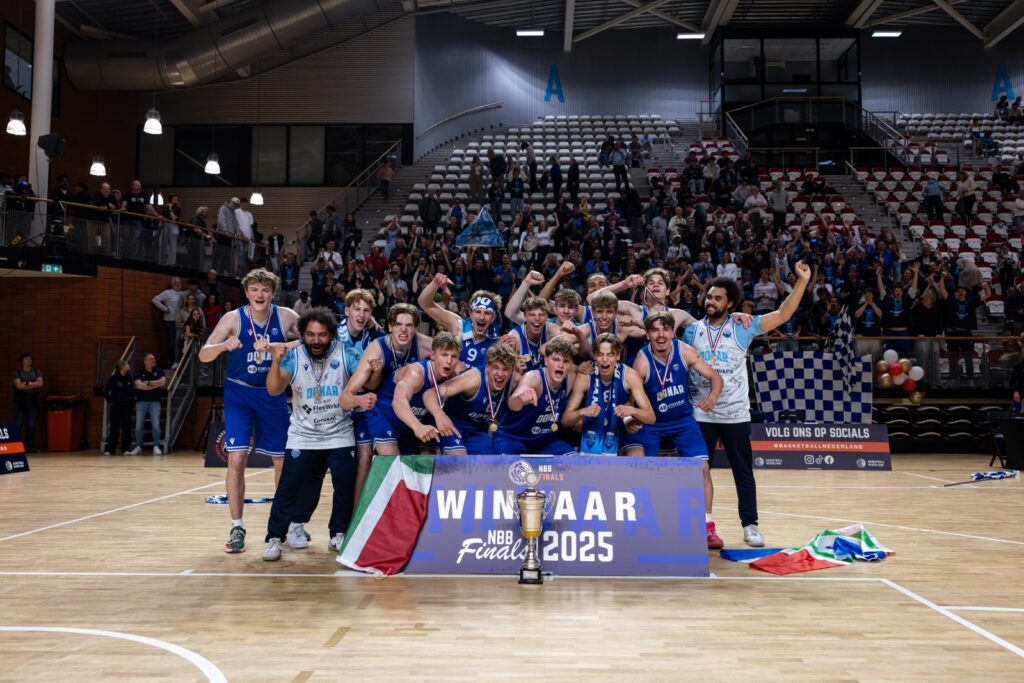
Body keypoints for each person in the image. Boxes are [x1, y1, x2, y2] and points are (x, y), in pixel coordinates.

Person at [682, 262, 812, 549]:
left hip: (734, 414)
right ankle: (700, 524)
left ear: (730, 303)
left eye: (717, 298)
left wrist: (802, 281)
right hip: (699, 413)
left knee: (743, 473)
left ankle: (750, 526)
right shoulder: (691, 331)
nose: (710, 301)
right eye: (708, 297)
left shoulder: (743, 325)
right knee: (697, 474)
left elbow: (783, 314)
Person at [199, 269, 299, 554]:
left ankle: (281, 525)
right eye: (255, 289)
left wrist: (279, 347)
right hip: (239, 392)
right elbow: (203, 353)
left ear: (273, 293)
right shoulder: (233, 319)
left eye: (265, 289)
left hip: (272, 393)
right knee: (237, 457)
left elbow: (315, 339)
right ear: (247, 292)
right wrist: (222, 345)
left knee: (281, 461)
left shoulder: (285, 316)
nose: (259, 294)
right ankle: (237, 525)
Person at [263, 307, 360, 560]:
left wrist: (372, 367)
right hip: (303, 434)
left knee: (344, 481)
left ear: (331, 335)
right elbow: (274, 389)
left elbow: (367, 381)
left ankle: (338, 533)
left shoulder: (344, 352)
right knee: (290, 485)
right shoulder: (292, 356)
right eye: (310, 335)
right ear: (303, 335)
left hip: (339, 432)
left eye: (322, 335)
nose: (316, 340)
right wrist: (275, 360)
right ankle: (276, 537)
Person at [368, 333, 463, 454]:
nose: (449, 361)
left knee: (416, 467)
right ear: (433, 355)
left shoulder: (452, 377)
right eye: (444, 355)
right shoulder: (416, 373)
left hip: (408, 424)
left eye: (454, 356)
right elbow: (398, 402)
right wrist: (417, 426)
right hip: (384, 416)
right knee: (392, 461)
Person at [564, 334, 656, 456]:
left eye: (610, 354)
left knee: (637, 458)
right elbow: (565, 420)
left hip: (620, 428)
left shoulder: (630, 376)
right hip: (592, 428)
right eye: (600, 354)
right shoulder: (585, 376)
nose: (605, 360)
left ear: (618, 356)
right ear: (595, 356)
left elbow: (651, 417)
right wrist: (582, 412)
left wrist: (632, 411)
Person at [426, 343, 518, 455]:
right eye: (496, 367)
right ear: (488, 366)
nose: (500, 374)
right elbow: (429, 394)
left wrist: (527, 390)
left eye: (506, 369)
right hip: (453, 423)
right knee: (460, 460)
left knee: (487, 466)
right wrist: (439, 415)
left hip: (477, 429)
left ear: (512, 370)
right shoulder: (473, 379)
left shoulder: (515, 382)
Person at [493, 338, 578, 455]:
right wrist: (520, 397)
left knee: (576, 463)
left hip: (545, 442)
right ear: (546, 360)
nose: (561, 365)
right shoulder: (534, 378)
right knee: (510, 471)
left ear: (571, 365)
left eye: (566, 361)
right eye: (556, 359)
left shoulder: (571, 376)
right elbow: (513, 403)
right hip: (513, 439)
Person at [419, 273, 499, 368]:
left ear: (493, 317)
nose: (481, 317)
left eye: (487, 313)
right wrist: (435, 283)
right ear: (470, 313)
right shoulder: (458, 325)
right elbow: (424, 303)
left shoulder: (497, 342)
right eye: (477, 311)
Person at [130, 353, 166, 456]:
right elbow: (139, 386)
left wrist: (148, 383)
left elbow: (162, 382)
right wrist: (155, 384)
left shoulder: (159, 371)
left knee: (156, 424)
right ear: (146, 361)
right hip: (141, 402)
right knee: (139, 425)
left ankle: (156, 446)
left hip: (155, 402)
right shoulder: (139, 372)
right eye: (152, 359)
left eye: (154, 359)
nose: (154, 360)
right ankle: (138, 446)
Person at [12, 353, 43, 452]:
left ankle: (30, 447)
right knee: (18, 424)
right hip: (20, 401)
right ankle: (15, 447)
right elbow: (18, 386)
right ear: (22, 362)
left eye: (30, 359)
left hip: (32, 400)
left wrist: (26, 383)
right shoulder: (17, 373)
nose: (29, 361)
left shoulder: (37, 372)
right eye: (26, 359)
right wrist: (32, 384)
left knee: (31, 425)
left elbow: (40, 383)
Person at [103, 360, 134, 455]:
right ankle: (110, 449)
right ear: (122, 366)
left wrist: (131, 401)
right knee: (114, 428)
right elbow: (105, 391)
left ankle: (126, 449)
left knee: (127, 428)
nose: (129, 366)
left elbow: (132, 391)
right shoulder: (113, 378)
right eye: (127, 364)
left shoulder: (129, 378)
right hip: (116, 407)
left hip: (127, 407)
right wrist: (111, 401)